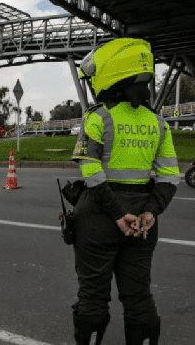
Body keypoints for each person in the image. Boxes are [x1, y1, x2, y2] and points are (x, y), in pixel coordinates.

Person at [70, 38, 180, 345]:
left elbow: (90, 171)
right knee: (138, 295)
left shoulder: (99, 117)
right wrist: (150, 212)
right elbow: (171, 176)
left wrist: (119, 215)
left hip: (100, 217)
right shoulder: (158, 123)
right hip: (143, 219)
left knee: (92, 295)